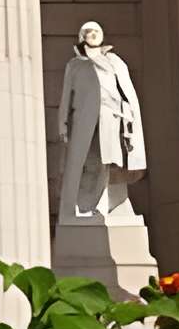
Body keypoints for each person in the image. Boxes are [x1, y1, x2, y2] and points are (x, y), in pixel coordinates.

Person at [55, 21, 148, 225]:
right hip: (83, 119)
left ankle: (102, 206)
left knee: (107, 161)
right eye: (88, 31)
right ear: (81, 36)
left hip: (111, 117)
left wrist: (130, 119)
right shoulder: (75, 64)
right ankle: (82, 205)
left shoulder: (115, 62)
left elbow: (126, 92)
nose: (93, 34)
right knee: (85, 162)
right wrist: (62, 123)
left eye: (96, 30)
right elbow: (65, 97)